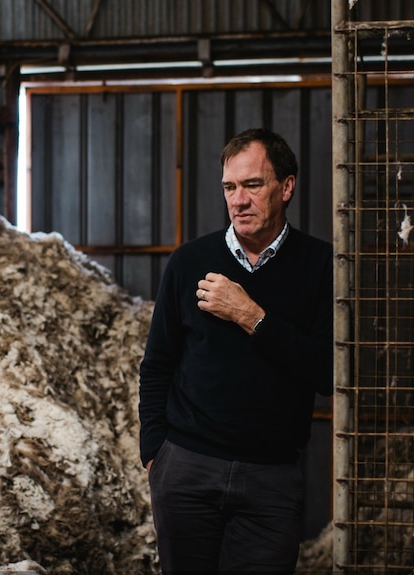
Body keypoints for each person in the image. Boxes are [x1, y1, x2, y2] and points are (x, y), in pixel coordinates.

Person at [138, 128, 333, 573]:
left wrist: (251, 316)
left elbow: (326, 372)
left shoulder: (321, 266)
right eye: (229, 187)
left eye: (252, 185)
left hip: (272, 479)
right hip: (187, 468)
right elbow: (157, 364)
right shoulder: (189, 262)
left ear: (286, 187)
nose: (238, 200)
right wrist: (155, 454)